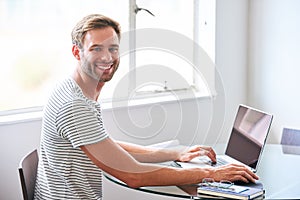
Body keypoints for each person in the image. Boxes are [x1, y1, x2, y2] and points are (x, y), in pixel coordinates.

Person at [34, 14, 258, 199]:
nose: (107, 57)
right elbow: (134, 176)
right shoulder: (75, 105)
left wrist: (177, 154)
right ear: (77, 52)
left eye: (113, 48)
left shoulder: (73, 88)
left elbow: (105, 146)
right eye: (96, 49)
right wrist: (211, 174)